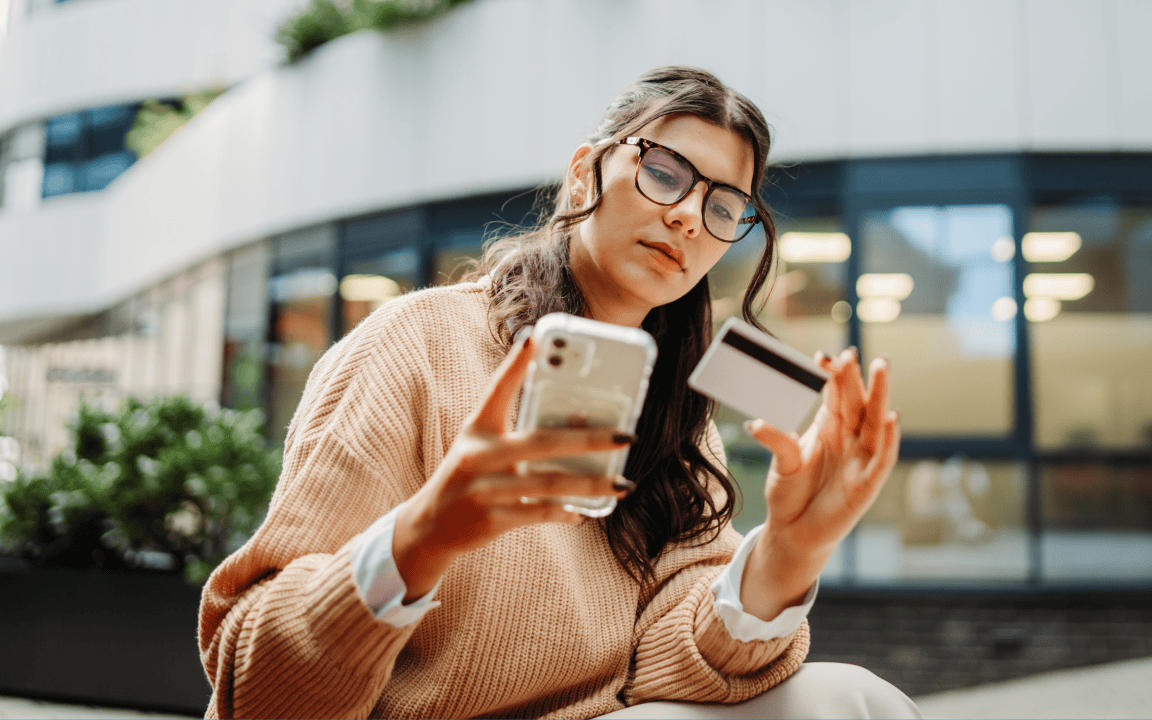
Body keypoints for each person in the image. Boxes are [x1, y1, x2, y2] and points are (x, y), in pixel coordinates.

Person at [198, 65, 920, 719]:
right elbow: (259, 689)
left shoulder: (674, 412)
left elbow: (675, 670)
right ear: (584, 174)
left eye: (724, 207)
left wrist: (790, 554)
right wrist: (424, 536)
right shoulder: (415, 343)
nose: (687, 218)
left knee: (858, 698)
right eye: (665, 173)